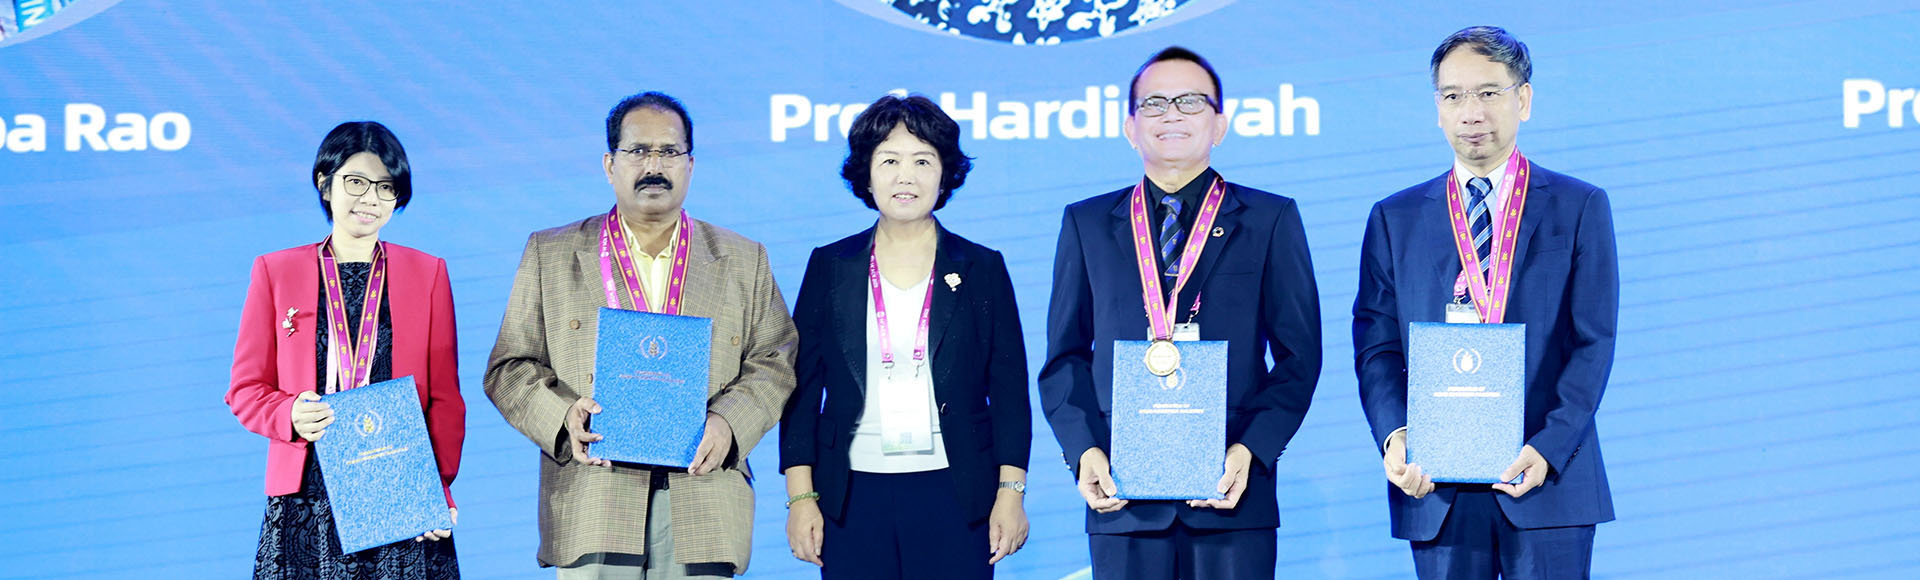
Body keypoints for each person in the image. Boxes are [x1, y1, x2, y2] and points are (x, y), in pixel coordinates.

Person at [483, 91, 798, 579]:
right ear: (610, 164)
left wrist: (729, 423)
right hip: (594, 499)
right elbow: (509, 368)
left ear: (690, 165)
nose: (654, 166)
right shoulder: (552, 253)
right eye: (638, 151)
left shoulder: (742, 258)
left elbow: (776, 360)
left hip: (703, 498)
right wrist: (563, 417)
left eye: (669, 151)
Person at [1039, 46, 1322, 580]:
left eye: (1191, 101)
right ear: (1131, 128)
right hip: (1122, 495)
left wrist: (1251, 450)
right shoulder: (1087, 223)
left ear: (1220, 125)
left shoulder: (1270, 218)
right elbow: (1064, 357)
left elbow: (1299, 357)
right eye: (1154, 103)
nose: (1171, 114)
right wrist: (1084, 451)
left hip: (1231, 493)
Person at [1353, 26, 1619, 579]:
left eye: (1488, 93)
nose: (1471, 112)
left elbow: (1593, 342)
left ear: (1524, 99)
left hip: (1547, 480)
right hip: (1436, 486)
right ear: (1437, 109)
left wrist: (1549, 446)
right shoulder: (1394, 217)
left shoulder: (1579, 206)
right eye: (1453, 96)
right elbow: (1376, 345)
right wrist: (1396, 435)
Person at [779, 95, 1032, 579]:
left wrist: (1011, 492)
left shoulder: (981, 267)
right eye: (890, 161)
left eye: (922, 161)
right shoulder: (830, 265)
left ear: (945, 173)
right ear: (866, 173)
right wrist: (800, 496)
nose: (906, 177)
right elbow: (803, 389)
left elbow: (1009, 392)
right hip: (849, 493)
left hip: (957, 490)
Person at [227, 121, 465, 579]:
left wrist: (438, 487)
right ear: (325, 184)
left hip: (401, 493)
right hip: (306, 496)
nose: (370, 198)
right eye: (356, 182)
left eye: (385, 187)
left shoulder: (428, 273)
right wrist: (289, 414)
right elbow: (244, 389)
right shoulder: (276, 271)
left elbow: (445, 400)